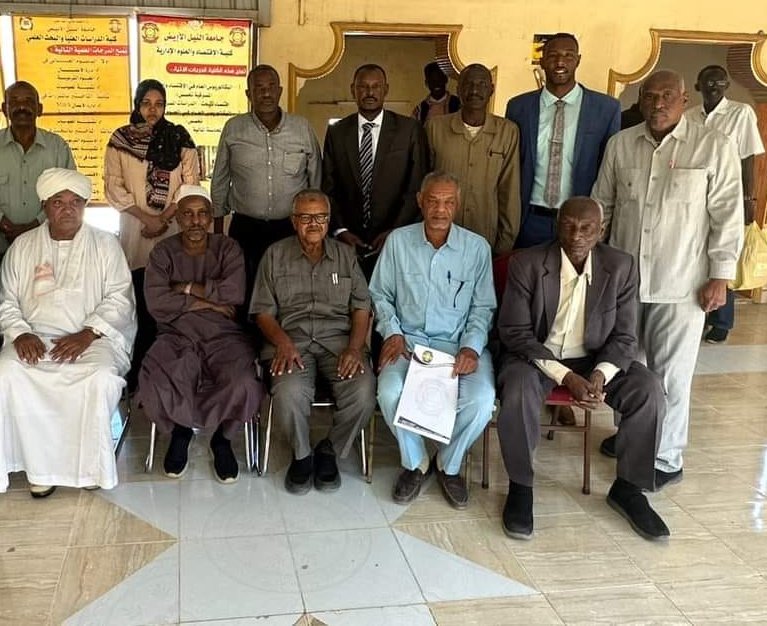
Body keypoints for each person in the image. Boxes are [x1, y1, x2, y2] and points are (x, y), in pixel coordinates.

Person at [592, 70, 742, 488]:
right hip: (625, 284)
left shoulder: (714, 146)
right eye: (650, 96)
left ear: (683, 100)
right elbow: (602, 206)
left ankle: (664, 457)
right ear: (641, 100)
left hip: (681, 285)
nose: (658, 104)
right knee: (627, 368)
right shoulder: (621, 144)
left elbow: (728, 217)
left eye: (667, 96)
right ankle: (631, 436)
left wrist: (721, 275)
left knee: (670, 376)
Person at [496, 198, 668, 541]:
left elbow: (625, 336)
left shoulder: (621, 266)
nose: (577, 235)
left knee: (648, 389)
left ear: (601, 230)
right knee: (517, 388)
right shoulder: (527, 263)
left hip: (593, 358)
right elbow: (515, 333)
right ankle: (521, 487)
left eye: (587, 228)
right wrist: (567, 377)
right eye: (569, 226)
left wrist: (599, 375)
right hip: (535, 357)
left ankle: (629, 488)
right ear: (556, 225)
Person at [0, 168, 136, 497]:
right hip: (33, 335)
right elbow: (6, 300)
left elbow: (120, 298)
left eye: (75, 202)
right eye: (58, 202)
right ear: (44, 205)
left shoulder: (106, 244)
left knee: (98, 376)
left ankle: (90, 467)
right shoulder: (23, 246)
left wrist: (88, 333)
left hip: (94, 338)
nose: (68, 209)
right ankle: (39, 469)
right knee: (10, 371)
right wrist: (20, 334)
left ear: (84, 205)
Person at [371, 172, 496, 507]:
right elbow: (380, 295)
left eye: (448, 202)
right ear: (420, 201)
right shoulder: (398, 242)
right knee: (388, 392)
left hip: (458, 344)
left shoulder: (477, 248)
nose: (440, 210)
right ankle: (416, 462)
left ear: (457, 204)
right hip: (409, 343)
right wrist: (392, 332)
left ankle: (448, 463)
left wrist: (471, 346)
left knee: (482, 400)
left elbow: (483, 307)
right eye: (433, 201)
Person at [251, 189, 376, 494]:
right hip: (290, 342)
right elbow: (262, 312)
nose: (314, 224)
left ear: (328, 221)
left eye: (320, 217)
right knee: (288, 392)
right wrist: (282, 343)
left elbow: (362, 308)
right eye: (306, 217)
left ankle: (330, 449)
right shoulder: (274, 255)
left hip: (339, 342)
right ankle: (302, 455)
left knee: (363, 392)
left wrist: (355, 348)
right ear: (294, 221)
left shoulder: (345, 256)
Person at [136, 185, 264, 483]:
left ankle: (223, 438)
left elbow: (234, 293)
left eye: (202, 213)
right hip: (176, 333)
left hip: (225, 335)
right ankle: (180, 432)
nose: (196, 221)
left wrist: (186, 288)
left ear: (210, 216)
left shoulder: (228, 248)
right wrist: (209, 303)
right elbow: (157, 301)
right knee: (157, 381)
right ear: (177, 217)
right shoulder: (162, 252)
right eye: (188, 214)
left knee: (243, 382)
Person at [105, 80, 200, 390]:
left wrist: (164, 218)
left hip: (172, 230)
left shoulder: (180, 138)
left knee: (170, 298)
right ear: (137, 104)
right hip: (135, 232)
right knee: (138, 300)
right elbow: (113, 185)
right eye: (146, 103)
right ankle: (138, 371)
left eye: (159, 104)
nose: (152, 110)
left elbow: (189, 185)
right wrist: (147, 218)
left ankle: (169, 370)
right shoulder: (120, 140)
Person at [506, 33, 621, 249]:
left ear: (578, 60)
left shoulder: (605, 109)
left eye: (568, 56)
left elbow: (609, 171)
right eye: (553, 56)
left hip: (579, 224)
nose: (560, 62)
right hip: (529, 219)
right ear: (542, 61)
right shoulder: (519, 107)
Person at [211, 64, 321, 286]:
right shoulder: (234, 128)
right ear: (248, 94)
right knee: (245, 287)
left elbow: (316, 180)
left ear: (280, 91)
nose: (266, 93)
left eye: (271, 87)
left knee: (289, 288)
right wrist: (218, 235)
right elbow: (220, 179)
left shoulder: (302, 129)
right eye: (259, 88)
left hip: (290, 228)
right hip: (246, 229)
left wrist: (314, 228)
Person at [321, 63, 429, 275]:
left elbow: (416, 187)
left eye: (376, 86)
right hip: (349, 242)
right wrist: (341, 230)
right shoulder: (337, 132)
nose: (369, 92)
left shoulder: (409, 130)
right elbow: (328, 186)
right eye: (363, 87)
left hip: (397, 239)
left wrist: (395, 232)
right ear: (353, 90)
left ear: (385, 89)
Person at [684, 65, 765, 344]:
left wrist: (748, 199)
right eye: (709, 82)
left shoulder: (741, 113)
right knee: (697, 254)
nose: (715, 87)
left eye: (720, 82)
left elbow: (748, 158)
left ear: (727, 85)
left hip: (728, 194)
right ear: (698, 86)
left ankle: (721, 321)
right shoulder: (689, 116)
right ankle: (699, 312)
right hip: (695, 196)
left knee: (723, 254)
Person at [0, 81, 76, 259]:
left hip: (49, 249)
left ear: (39, 109)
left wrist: (35, 226)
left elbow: (71, 195)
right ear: (4, 109)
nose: (22, 107)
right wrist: (5, 226)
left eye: (29, 101)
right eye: (15, 101)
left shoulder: (58, 147)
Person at [425, 63, 520, 255]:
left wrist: (504, 244)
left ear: (491, 89)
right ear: (458, 89)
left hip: (485, 238)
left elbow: (509, 191)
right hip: (439, 239)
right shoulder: (435, 128)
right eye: (468, 84)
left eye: (482, 84)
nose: (475, 90)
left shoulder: (507, 131)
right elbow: (423, 184)